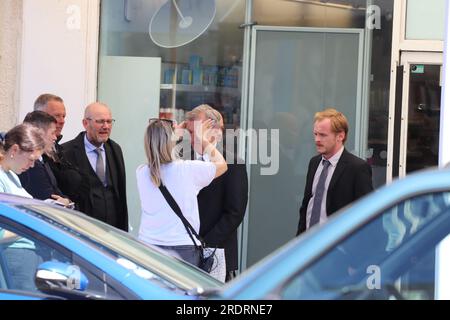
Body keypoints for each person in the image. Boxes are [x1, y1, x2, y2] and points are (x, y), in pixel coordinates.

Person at [136, 117, 227, 267]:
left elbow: (159, 150)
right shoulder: (187, 170)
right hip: (182, 249)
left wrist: (173, 133)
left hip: (148, 246)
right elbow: (222, 165)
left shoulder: (142, 172)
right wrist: (202, 139)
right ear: (171, 141)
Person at [185, 105, 248, 282]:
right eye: (189, 132)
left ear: (214, 131)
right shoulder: (180, 160)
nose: (191, 138)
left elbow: (234, 213)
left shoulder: (234, 164)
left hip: (217, 253)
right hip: (183, 251)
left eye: (196, 131)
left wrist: (204, 244)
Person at [297, 108, 373, 235]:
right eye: (315, 134)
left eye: (323, 135)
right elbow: (306, 204)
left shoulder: (357, 168)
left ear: (340, 136)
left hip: (337, 244)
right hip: (309, 241)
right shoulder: (314, 163)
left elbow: (366, 213)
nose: (317, 140)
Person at [62, 102, 128, 231]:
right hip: (81, 232)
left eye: (109, 121)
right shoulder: (66, 152)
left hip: (112, 233)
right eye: (100, 122)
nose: (106, 126)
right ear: (86, 123)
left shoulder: (115, 149)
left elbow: (120, 195)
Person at [0, 124, 46, 290]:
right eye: (31, 159)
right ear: (14, 150)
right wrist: (32, 225)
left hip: (26, 254)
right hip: (15, 257)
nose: (32, 165)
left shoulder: (11, 175)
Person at [33, 93, 81, 204]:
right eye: (56, 116)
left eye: (64, 116)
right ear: (40, 117)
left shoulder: (59, 149)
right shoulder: (31, 155)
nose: (62, 121)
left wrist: (68, 202)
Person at [18, 111, 73, 207]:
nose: (55, 137)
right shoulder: (30, 165)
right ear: (38, 133)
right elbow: (49, 199)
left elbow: (57, 192)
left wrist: (67, 201)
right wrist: (65, 203)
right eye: (52, 133)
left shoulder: (42, 160)